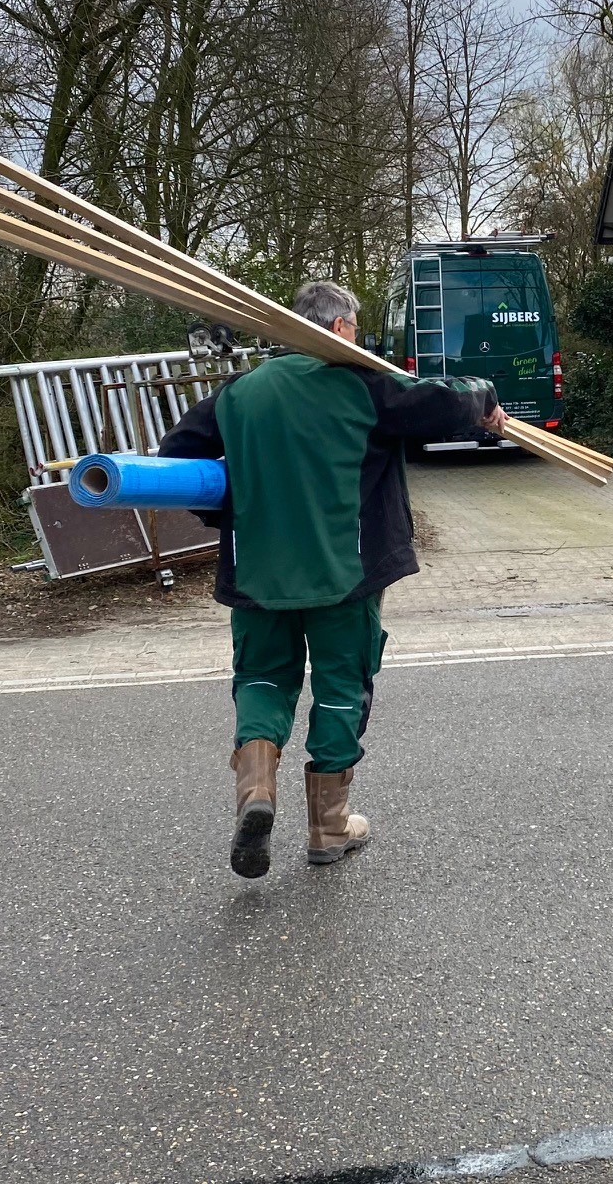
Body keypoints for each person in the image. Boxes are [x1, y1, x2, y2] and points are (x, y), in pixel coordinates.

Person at [159, 280, 506, 879]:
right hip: (345, 575)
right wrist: (485, 398)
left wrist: (229, 513)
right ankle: (328, 826)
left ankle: (257, 790)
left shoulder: (238, 393)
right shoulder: (363, 384)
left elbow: (175, 460)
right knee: (343, 686)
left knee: (264, 680)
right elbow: (446, 401)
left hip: (258, 574)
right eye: (356, 327)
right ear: (342, 328)